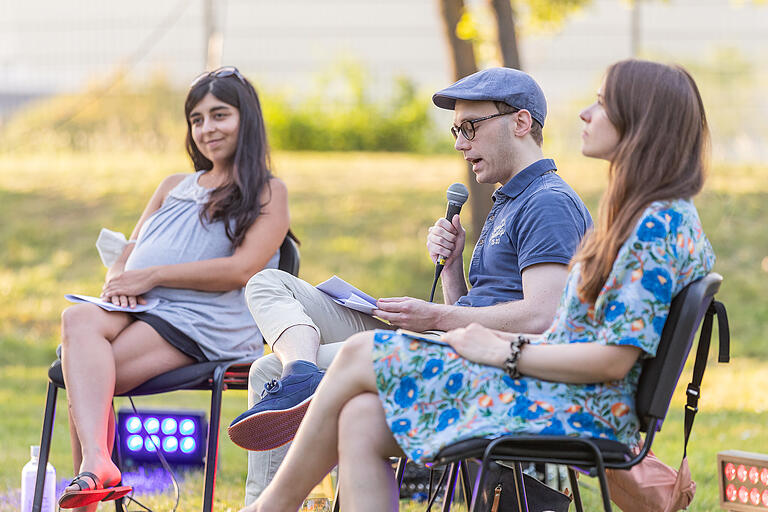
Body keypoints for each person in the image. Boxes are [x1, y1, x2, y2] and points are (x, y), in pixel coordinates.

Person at [239, 58, 716, 512]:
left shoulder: (655, 224)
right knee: (361, 419)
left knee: (358, 353)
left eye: (601, 103)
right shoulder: (651, 216)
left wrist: (499, 349)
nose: (584, 113)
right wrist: (455, 278)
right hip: (555, 391)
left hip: (572, 405)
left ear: (641, 122)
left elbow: (611, 357)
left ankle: (270, 507)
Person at [56, 67, 291, 510]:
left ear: (247, 120)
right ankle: (98, 464)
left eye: (219, 115)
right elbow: (131, 247)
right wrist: (118, 280)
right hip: (143, 307)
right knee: (76, 318)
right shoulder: (172, 185)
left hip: (203, 320)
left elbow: (242, 269)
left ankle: (92, 480)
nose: (207, 129)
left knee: (85, 374)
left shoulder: (267, 192)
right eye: (197, 120)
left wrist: (152, 276)